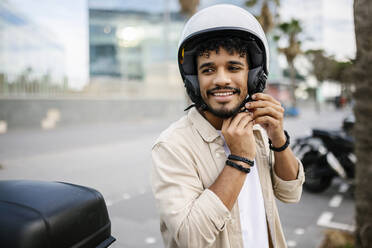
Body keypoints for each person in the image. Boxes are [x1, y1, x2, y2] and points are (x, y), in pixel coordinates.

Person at [151, 4, 304, 248]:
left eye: (233, 67)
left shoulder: (257, 130)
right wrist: (240, 158)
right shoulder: (172, 146)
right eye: (208, 69)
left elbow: (291, 193)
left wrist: (277, 137)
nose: (222, 79)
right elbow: (190, 237)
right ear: (194, 79)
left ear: (252, 76)